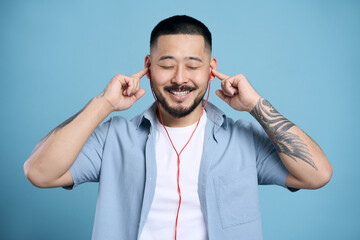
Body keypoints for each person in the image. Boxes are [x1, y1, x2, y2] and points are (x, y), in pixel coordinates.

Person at [24, 15, 332, 240]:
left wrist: (256, 105)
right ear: (148, 66)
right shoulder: (114, 139)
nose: (180, 78)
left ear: (211, 70)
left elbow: (318, 174)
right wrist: (103, 104)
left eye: (193, 65)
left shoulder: (243, 141)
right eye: (167, 64)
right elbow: (39, 172)